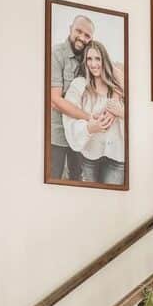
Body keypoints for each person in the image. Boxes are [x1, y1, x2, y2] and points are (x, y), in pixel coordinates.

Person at [62, 41, 125, 186]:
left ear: (105, 60)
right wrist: (90, 128)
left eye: (98, 58)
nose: (93, 64)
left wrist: (121, 113)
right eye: (89, 59)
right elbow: (69, 117)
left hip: (117, 157)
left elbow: (138, 115)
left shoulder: (118, 87)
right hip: (90, 156)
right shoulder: (79, 85)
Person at [49, 14, 96, 181]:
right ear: (70, 29)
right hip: (58, 133)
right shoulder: (56, 54)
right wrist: (89, 117)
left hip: (79, 134)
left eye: (87, 35)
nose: (82, 38)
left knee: (77, 179)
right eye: (79, 31)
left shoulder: (89, 60)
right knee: (54, 178)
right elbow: (55, 100)